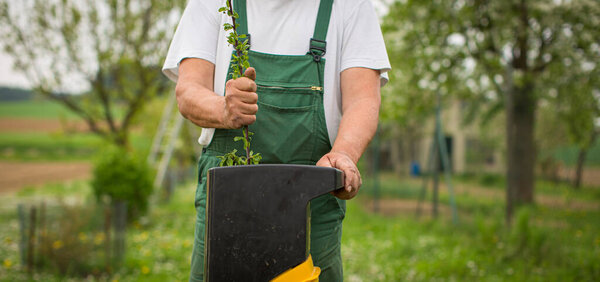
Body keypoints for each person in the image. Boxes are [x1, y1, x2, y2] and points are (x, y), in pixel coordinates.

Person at [162, 0, 390, 281]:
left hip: (312, 204)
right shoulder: (215, 3)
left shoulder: (350, 6)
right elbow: (188, 91)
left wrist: (344, 153)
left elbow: (363, 99)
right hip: (226, 206)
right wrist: (223, 109)